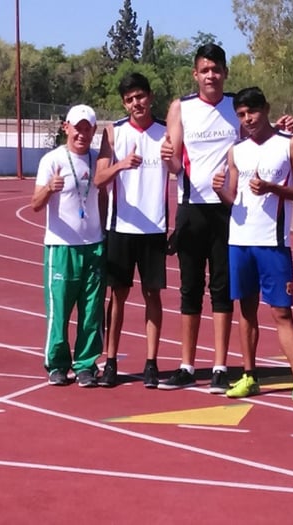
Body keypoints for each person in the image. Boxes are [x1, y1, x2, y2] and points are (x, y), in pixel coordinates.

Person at [158, 43, 293, 393]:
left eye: (216, 69)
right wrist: (166, 157)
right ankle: (187, 365)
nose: (211, 76)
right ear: (195, 74)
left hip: (228, 209)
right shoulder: (181, 108)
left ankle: (220, 366)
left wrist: (280, 125)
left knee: (223, 289)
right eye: (204, 70)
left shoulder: (236, 108)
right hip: (190, 206)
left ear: (225, 73)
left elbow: (260, 134)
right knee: (189, 288)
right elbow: (175, 162)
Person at [212, 86, 293, 407]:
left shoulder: (289, 144)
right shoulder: (235, 151)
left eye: (252, 111)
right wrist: (220, 191)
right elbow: (233, 198)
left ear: (265, 109)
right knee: (246, 311)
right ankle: (249, 376)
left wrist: (272, 189)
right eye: (241, 114)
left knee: (281, 312)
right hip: (239, 242)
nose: (248, 119)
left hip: (273, 243)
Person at [94, 72, 169, 388]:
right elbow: (99, 179)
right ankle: (110, 361)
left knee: (153, 294)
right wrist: (120, 165)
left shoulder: (167, 133)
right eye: (129, 99)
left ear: (150, 96)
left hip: (154, 227)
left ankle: (151, 363)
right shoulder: (113, 133)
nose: (136, 103)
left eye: (140, 96)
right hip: (121, 227)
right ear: (124, 103)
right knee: (118, 295)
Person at [31, 104, 106, 387]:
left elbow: (102, 197)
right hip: (61, 248)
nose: (82, 134)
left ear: (93, 131)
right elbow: (35, 205)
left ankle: (86, 364)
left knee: (91, 311)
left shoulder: (98, 159)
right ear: (67, 128)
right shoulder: (52, 160)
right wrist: (50, 187)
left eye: (87, 128)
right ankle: (57, 364)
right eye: (77, 128)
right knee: (59, 310)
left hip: (94, 246)